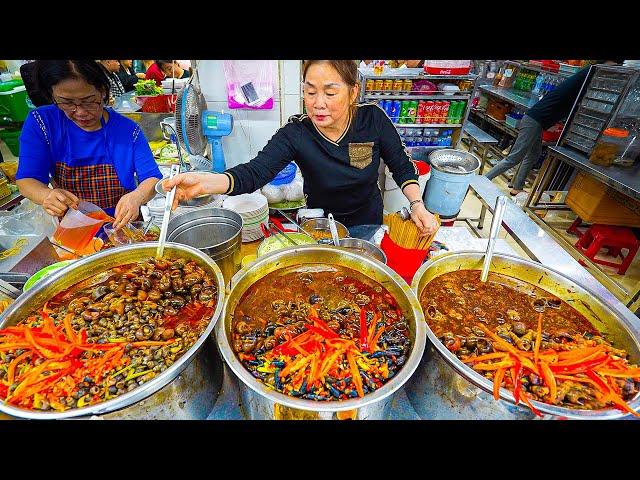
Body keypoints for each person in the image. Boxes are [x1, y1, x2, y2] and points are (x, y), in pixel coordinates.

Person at [163, 60, 438, 234]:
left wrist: (417, 204)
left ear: (353, 92)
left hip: (367, 222)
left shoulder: (373, 120)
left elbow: (401, 166)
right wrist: (206, 183)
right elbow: (254, 173)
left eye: (330, 93)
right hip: (320, 225)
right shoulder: (296, 133)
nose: (318, 103)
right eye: (310, 91)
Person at [16, 60, 162, 229]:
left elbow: (152, 177)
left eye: (89, 101)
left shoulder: (127, 130)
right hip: (74, 227)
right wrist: (46, 195)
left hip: (123, 226)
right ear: (52, 95)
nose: (81, 112)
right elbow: (27, 179)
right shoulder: (42, 123)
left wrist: (137, 196)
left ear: (103, 91)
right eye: (67, 102)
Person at [485, 60, 621, 195]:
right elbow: (592, 71)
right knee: (514, 158)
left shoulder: (577, 86)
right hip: (533, 121)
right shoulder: (587, 74)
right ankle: (483, 181)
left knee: (533, 154)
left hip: (536, 122)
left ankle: (517, 186)